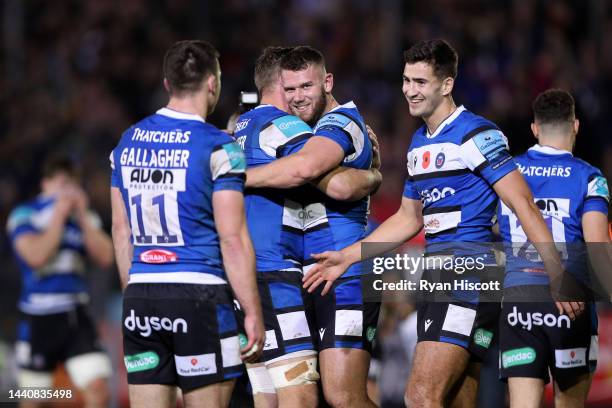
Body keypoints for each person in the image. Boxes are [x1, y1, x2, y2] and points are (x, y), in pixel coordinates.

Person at [303, 39, 582, 407]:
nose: (409, 91)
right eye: (406, 80)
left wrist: (556, 273)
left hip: (470, 273)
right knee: (454, 401)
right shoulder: (419, 143)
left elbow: (523, 203)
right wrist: (347, 257)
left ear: (447, 85)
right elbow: (408, 218)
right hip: (441, 276)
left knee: (419, 397)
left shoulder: (476, 134)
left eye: (421, 82)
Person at [109, 40, 264, 408]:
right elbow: (233, 239)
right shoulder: (219, 147)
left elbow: (121, 230)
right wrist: (253, 311)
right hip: (199, 294)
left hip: (142, 295)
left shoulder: (127, 142)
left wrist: (135, 294)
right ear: (213, 83)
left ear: (167, 84)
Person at [234, 46, 381, 408]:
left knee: (341, 396)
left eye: (307, 87)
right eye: (291, 89)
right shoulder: (308, 130)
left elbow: (334, 183)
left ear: (328, 82)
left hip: (345, 274)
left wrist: (235, 177)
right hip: (313, 273)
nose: (298, 97)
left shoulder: (339, 124)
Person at [497, 89, 610, 407]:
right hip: (569, 303)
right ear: (576, 126)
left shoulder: (508, 173)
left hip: (519, 302)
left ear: (535, 128)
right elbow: (598, 246)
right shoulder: (590, 178)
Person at [8, 155, 114, 408]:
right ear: (45, 183)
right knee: (36, 399)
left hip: (75, 313)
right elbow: (35, 256)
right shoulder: (25, 214)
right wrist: (58, 215)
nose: (69, 190)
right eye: (63, 182)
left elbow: (106, 257)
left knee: (98, 389)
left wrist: (83, 217)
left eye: (74, 184)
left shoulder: (83, 217)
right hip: (38, 316)